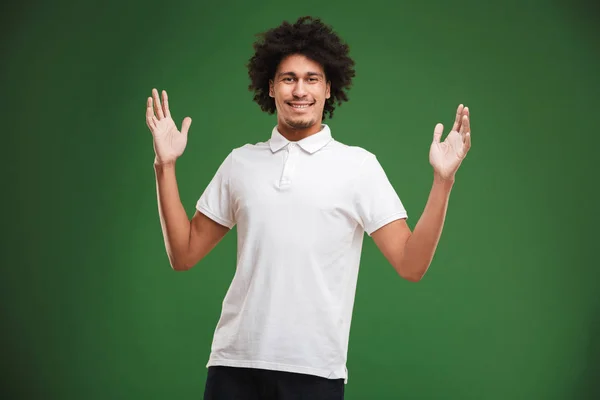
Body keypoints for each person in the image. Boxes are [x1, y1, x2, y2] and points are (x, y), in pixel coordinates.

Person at [145, 15, 471, 400]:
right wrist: (164, 166)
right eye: (288, 78)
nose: (300, 90)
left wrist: (443, 181)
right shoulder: (240, 163)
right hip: (233, 367)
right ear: (270, 87)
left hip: (314, 371)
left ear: (329, 87)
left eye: (312, 78)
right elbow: (183, 253)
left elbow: (411, 264)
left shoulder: (359, 166)